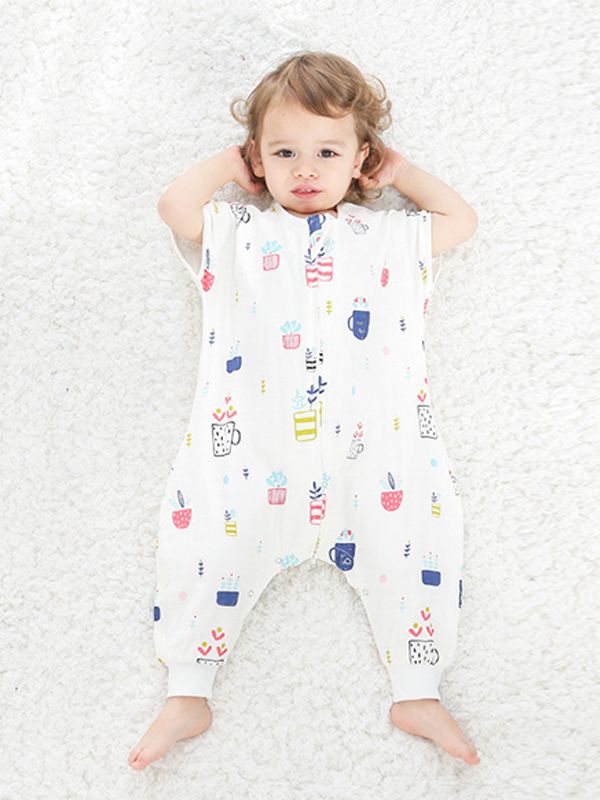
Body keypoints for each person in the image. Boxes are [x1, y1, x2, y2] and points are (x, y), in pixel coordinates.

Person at [129, 50, 480, 772]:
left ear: (360, 159)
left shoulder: (388, 235)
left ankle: (417, 691)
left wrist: (401, 173)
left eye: (328, 151)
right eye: (284, 152)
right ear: (259, 158)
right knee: (205, 546)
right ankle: (188, 690)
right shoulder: (238, 232)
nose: (306, 168)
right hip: (250, 452)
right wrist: (231, 166)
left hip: (376, 449)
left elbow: (461, 219)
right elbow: (173, 208)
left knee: (416, 540)